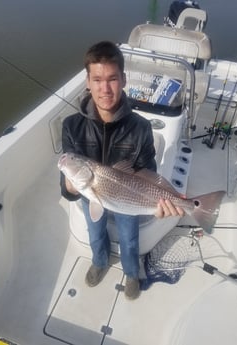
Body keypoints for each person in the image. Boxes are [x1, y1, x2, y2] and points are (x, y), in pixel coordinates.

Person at [60, 41, 184, 300]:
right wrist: (70, 185)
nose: (105, 88)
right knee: (95, 232)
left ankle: (130, 271)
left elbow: (148, 172)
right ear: (87, 81)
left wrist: (161, 202)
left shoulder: (140, 127)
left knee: (129, 237)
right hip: (89, 193)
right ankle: (100, 261)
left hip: (129, 198)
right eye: (97, 79)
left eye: (112, 79)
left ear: (124, 79)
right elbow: (68, 185)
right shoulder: (72, 126)